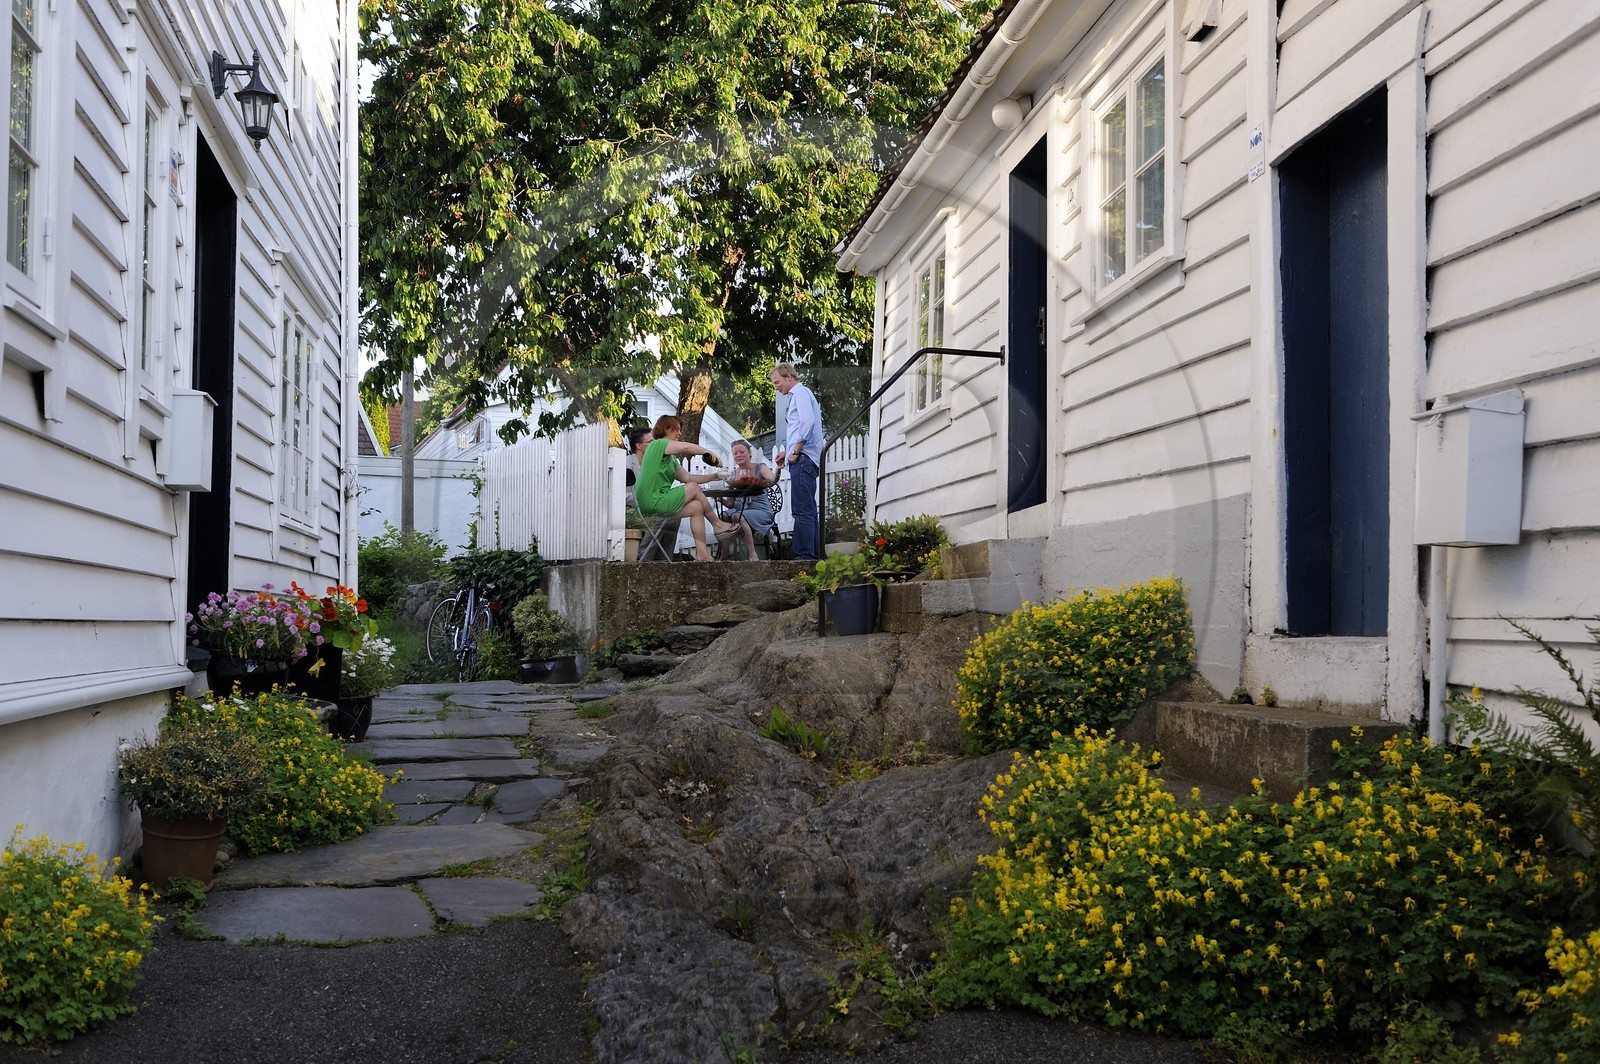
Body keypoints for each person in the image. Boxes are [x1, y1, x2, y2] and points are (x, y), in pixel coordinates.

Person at [635, 415, 739, 562]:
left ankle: (702, 553)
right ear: (665, 429)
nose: (679, 433)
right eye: (676, 429)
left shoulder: (670, 458)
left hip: (659, 504)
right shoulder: (658, 444)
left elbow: (688, 478)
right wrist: (709, 453)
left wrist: (714, 476)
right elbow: (687, 447)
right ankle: (718, 525)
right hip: (652, 501)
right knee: (694, 488)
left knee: (696, 507)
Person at [770, 362, 823, 561]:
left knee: (801, 510)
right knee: (808, 509)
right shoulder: (802, 394)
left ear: (789, 377)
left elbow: (807, 422)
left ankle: (804, 557)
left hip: (803, 459)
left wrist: (795, 450)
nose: (776, 387)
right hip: (804, 457)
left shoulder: (800, 393)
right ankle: (813, 554)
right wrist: (788, 452)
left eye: (777, 382)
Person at [717, 439, 777, 560]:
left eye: (741, 452)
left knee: (736, 516)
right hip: (739, 510)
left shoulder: (760, 468)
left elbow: (773, 479)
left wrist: (778, 470)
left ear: (749, 453)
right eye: (735, 453)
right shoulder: (733, 474)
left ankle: (752, 555)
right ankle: (724, 556)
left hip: (760, 510)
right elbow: (730, 503)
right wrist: (719, 499)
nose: (738, 455)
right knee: (723, 515)